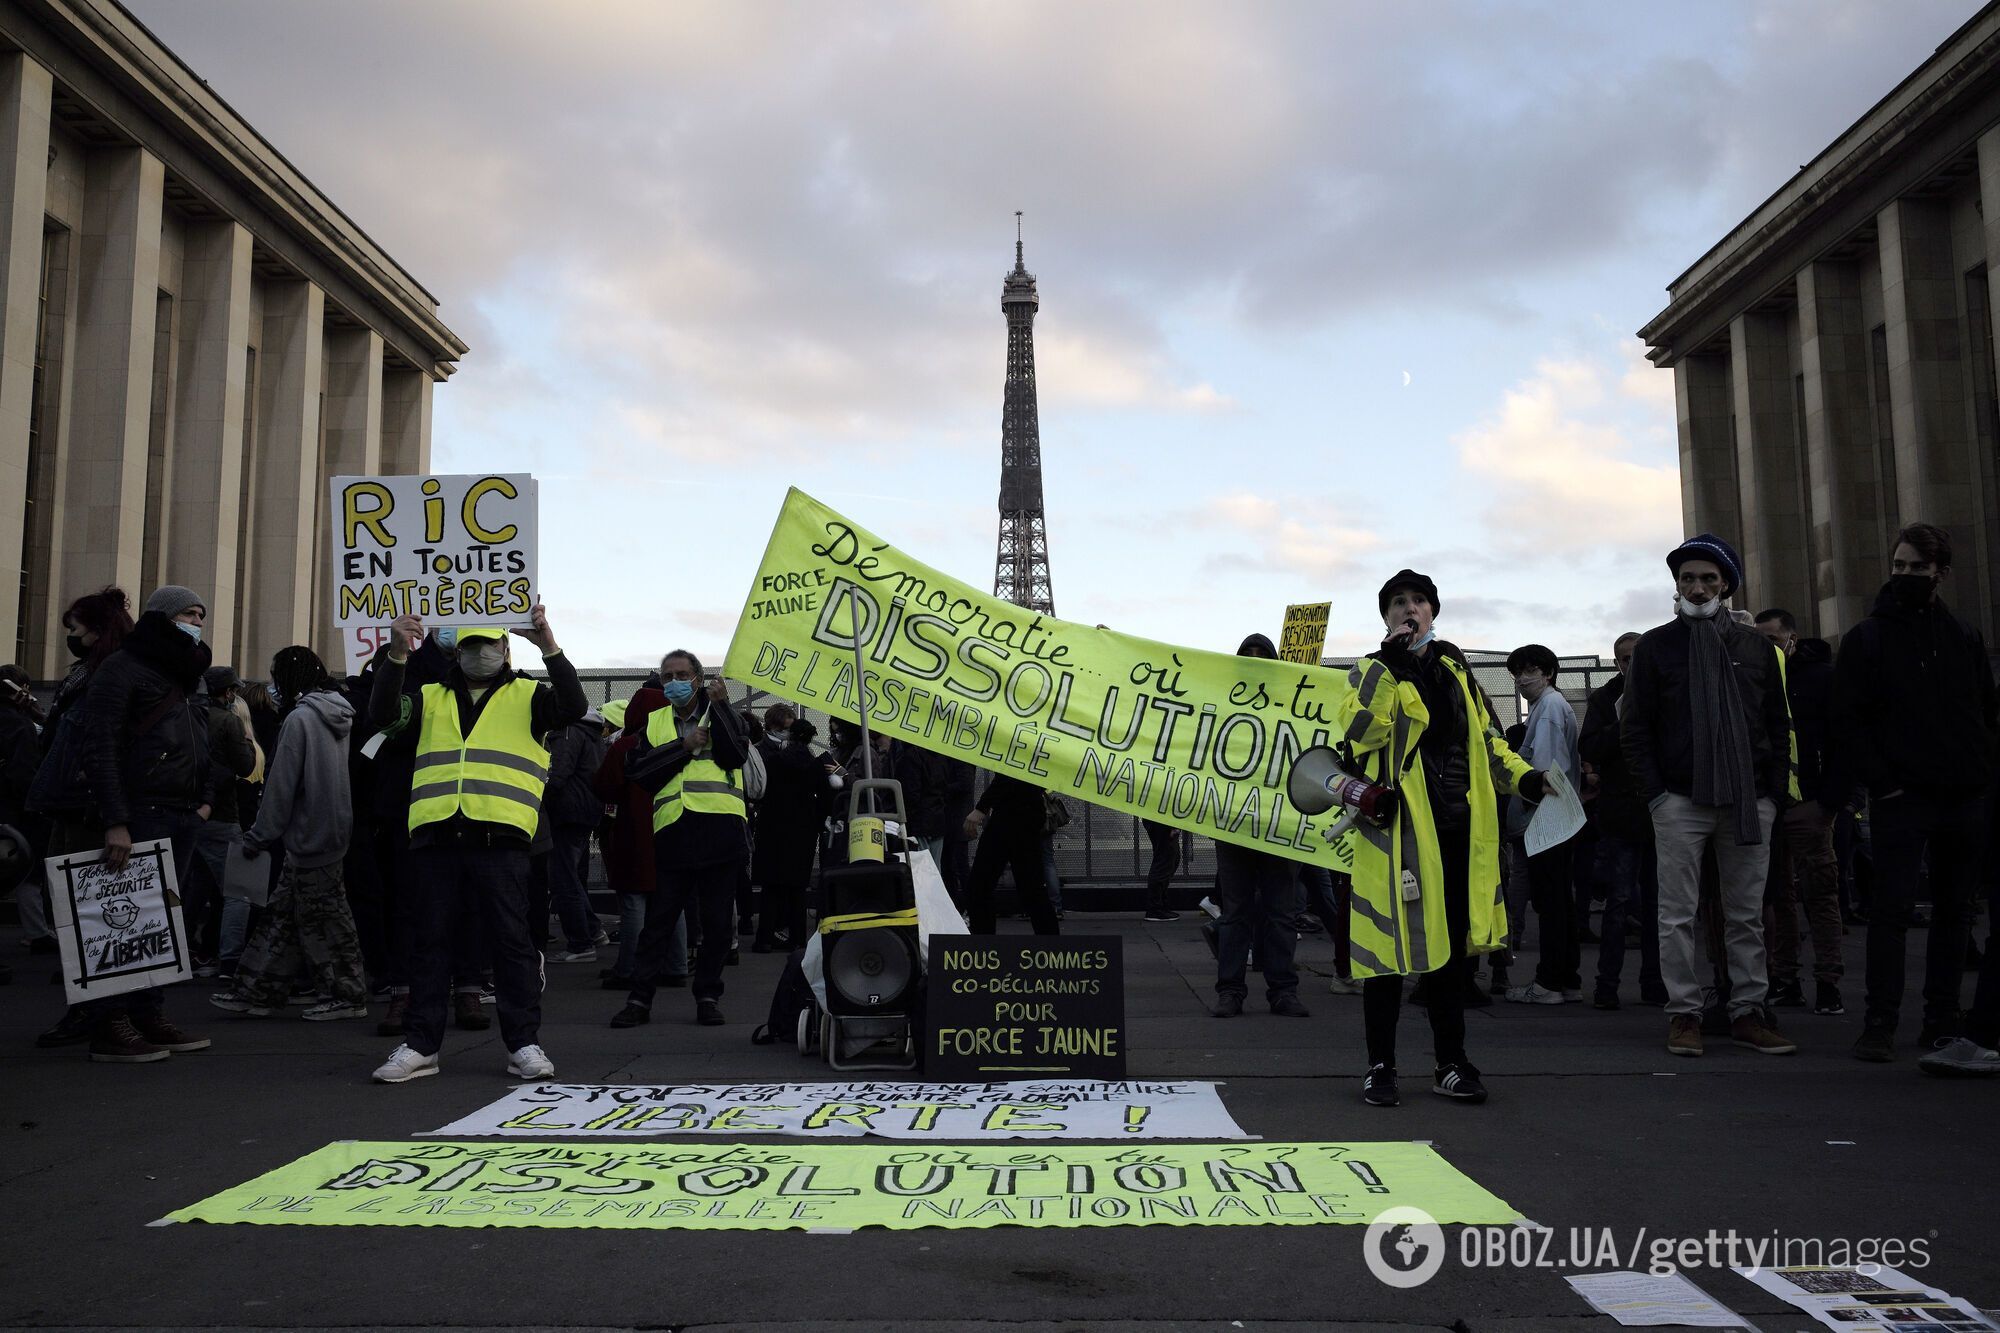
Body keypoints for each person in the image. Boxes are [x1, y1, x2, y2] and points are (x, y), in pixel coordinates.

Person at [1336, 570, 1541, 1106]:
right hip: (1396, 836)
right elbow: (1360, 734)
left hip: (1455, 832)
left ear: (1433, 611)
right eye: (1399, 602)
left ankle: (1451, 1062)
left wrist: (1527, 778)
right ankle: (1380, 1066)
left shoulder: (1456, 671)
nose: (1410, 609)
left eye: (1419, 601)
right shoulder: (1371, 670)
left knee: (1449, 957)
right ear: (1386, 617)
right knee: (1387, 953)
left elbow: (1490, 742)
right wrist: (1389, 666)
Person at [366, 609, 584, 1084]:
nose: (479, 654)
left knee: (511, 945)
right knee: (430, 943)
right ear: (455, 651)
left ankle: (523, 1042)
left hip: (500, 836)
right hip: (437, 835)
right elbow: (382, 717)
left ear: (506, 649)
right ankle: (421, 1045)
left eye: (488, 644)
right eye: (469, 646)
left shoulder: (530, 694)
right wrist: (397, 654)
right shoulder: (428, 696)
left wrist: (549, 644)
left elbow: (573, 705)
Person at [1622, 535, 1795, 1058]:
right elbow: (1636, 728)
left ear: (1727, 586)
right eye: (1687, 579)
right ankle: (1684, 1015)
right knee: (1676, 916)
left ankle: (1748, 1012)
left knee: (1745, 915)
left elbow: (1777, 724)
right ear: (1676, 587)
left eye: (1708, 579)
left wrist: (1772, 796)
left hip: (1748, 802)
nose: (1697, 587)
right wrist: (1655, 795)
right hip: (1678, 800)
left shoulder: (1757, 650)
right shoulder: (1655, 646)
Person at [1834, 524, 1998, 1061]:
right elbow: (1850, 723)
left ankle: (1941, 1019)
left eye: (1916, 568)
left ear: (1940, 573)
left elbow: (1985, 712)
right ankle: (1880, 1022)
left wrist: (1981, 774)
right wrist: (1884, 785)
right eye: (1898, 565)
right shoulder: (1868, 638)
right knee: (1891, 912)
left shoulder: (1963, 636)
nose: (1904, 575)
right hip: (1903, 797)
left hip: (1963, 795)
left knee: (1955, 914)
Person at [76, 584, 217, 1062]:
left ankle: (147, 1013)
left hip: (182, 814)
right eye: (190, 614)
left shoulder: (185, 674)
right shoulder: (122, 669)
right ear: (163, 618)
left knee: (164, 923)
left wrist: (205, 801)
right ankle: (111, 1022)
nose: (197, 623)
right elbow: (101, 748)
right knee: (123, 922)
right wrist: (117, 821)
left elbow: (202, 742)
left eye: (200, 615)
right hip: (142, 814)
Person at [211, 647, 365, 1020]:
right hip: (329, 829)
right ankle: (258, 990)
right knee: (286, 916)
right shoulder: (338, 713)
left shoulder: (299, 720)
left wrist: (260, 835)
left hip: (307, 834)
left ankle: (346, 996)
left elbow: (282, 785)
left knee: (324, 922)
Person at [612, 651, 749, 1029]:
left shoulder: (724, 711)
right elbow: (639, 772)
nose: (675, 681)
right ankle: (639, 1000)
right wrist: (683, 747)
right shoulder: (655, 721)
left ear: (699, 678)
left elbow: (735, 755)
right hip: (674, 831)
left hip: (721, 830)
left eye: (682, 674)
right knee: (659, 922)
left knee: (718, 924)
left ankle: (708, 995)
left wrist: (721, 709)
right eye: (668, 675)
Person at [28, 587, 136, 1047]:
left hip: (91, 813)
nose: (69, 635)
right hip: (76, 808)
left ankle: (102, 1016)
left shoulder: (106, 679)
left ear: (95, 631)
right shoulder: (86, 677)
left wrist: (114, 818)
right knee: (76, 917)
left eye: (74, 627)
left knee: (93, 920)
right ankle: (90, 1011)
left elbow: (101, 751)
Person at [1753, 609, 1847, 1016]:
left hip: (1808, 803)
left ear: (1791, 638)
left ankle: (1828, 981)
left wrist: (1831, 799)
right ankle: (1786, 977)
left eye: (1772, 640)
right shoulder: (1759, 679)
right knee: (1778, 897)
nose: (1767, 648)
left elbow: (1845, 738)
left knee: (1820, 893)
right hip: (1774, 803)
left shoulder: (1820, 678)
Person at [1211, 632, 1308, 1018]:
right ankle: (1232, 990)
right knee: (1235, 913)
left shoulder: (1294, 707)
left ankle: (1281, 989)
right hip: (1233, 824)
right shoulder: (1222, 707)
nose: (1254, 662)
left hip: (1279, 826)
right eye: (1248, 657)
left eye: (1260, 656)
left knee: (1280, 912)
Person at [1579, 632, 1665, 1009]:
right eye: (1624, 659)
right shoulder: (1605, 699)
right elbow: (1590, 746)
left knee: (1658, 904)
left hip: (1659, 810)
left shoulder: (1665, 692)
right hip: (1622, 811)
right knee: (1620, 900)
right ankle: (1607, 985)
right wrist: (1624, 721)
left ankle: (1653, 983)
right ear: (1617, 663)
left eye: (1636, 657)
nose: (1630, 664)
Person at [1502, 643, 1583, 1005]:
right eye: (1517, 671)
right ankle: (1567, 979)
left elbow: (1546, 770)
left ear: (1548, 672)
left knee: (1549, 902)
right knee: (1561, 901)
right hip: (1557, 815)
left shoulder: (1548, 708)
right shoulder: (1550, 706)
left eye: (1530, 669)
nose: (1522, 678)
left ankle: (1549, 982)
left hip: (1545, 816)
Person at [593, 678, 677, 990]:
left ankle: (628, 968)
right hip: (670, 830)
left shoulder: (626, 746)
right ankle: (676, 965)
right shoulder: (677, 742)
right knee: (671, 902)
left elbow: (605, 786)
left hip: (632, 832)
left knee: (633, 902)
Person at [186, 666, 256, 974]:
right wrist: (248, 742)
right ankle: (230, 958)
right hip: (223, 815)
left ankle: (178, 950)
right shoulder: (229, 721)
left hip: (187, 814)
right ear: (228, 693)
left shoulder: (186, 716)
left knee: (195, 888)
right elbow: (245, 766)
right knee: (240, 891)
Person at [754, 716, 834, 954]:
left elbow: (762, 791)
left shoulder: (774, 761)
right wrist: (818, 824)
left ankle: (764, 939)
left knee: (771, 886)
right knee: (798, 887)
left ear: (789, 736)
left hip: (773, 827)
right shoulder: (815, 765)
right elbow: (826, 800)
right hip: (803, 831)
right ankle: (798, 938)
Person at [544, 707, 610, 962]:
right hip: (586, 810)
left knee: (563, 879)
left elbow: (557, 774)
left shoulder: (567, 732)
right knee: (570, 875)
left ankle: (580, 944)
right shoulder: (591, 733)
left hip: (566, 812)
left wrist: (541, 798)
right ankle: (592, 931)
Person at [963, 772, 1058, 935]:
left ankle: (983, 948)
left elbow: (1009, 774)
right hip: (1026, 815)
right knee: (1032, 889)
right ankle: (1051, 948)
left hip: (1010, 816)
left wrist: (981, 808)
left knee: (980, 887)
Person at [1140, 819, 1182, 922]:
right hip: (1162, 820)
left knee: (1170, 858)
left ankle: (1159, 905)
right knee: (1165, 859)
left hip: (1160, 819)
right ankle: (1155, 908)